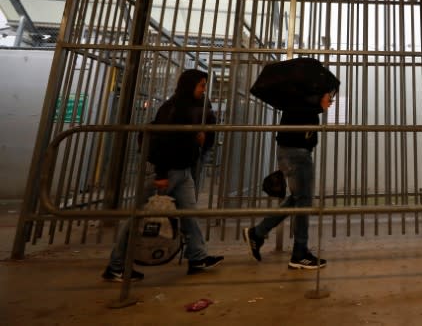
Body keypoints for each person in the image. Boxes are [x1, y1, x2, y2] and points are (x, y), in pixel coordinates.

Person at [102, 68, 224, 281]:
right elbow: (161, 142)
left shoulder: (194, 106)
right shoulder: (172, 109)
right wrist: (161, 174)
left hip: (183, 170)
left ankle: (197, 257)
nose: (204, 90)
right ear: (190, 85)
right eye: (201, 85)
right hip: (169, 170)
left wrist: (201, 139)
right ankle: (116, 266)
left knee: (189, 214)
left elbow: (196, 133)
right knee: (137, 216)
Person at [243, 85, 338, 269]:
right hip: (297, 156)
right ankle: (299, 252)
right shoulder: (304, 105)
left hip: (293, 154)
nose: (330, 100)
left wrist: (319, 105)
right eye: (329, 96)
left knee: (297, 199)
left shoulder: (302, 104)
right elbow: (305, 130)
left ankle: (258, 233)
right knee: (303, 202)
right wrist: (319, 104)